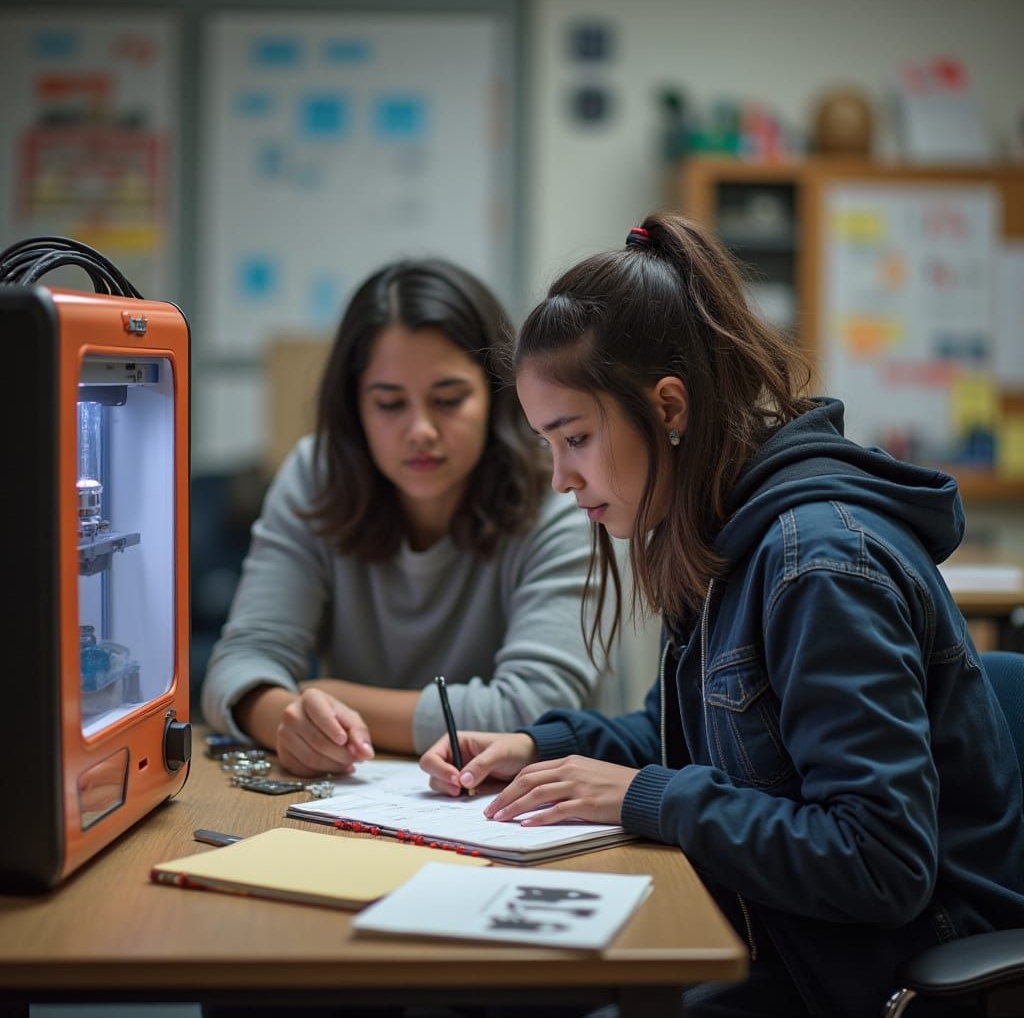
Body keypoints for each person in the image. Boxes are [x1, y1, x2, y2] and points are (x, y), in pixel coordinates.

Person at [420, 213, 1024, 1018]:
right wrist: (543, 747)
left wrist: (648, 796)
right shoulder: (728, 531)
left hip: (877, 978)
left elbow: (879, 860)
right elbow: (702, 734)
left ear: (668, 406)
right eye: (547, 445)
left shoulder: (818, 567)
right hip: (781, 937)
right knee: (475, 993)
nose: (561, 479)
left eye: (575, 438)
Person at [201, 258, 606, 776]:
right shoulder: (316, 474)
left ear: (499, 395)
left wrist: (328, 695)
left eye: (449, 399)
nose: (420, 430)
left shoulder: (557, 491)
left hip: (510, 800)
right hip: (358, 793)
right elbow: (239, 663)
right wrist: (285, 716)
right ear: (355, 407)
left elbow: (537, 710)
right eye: (390, 403)